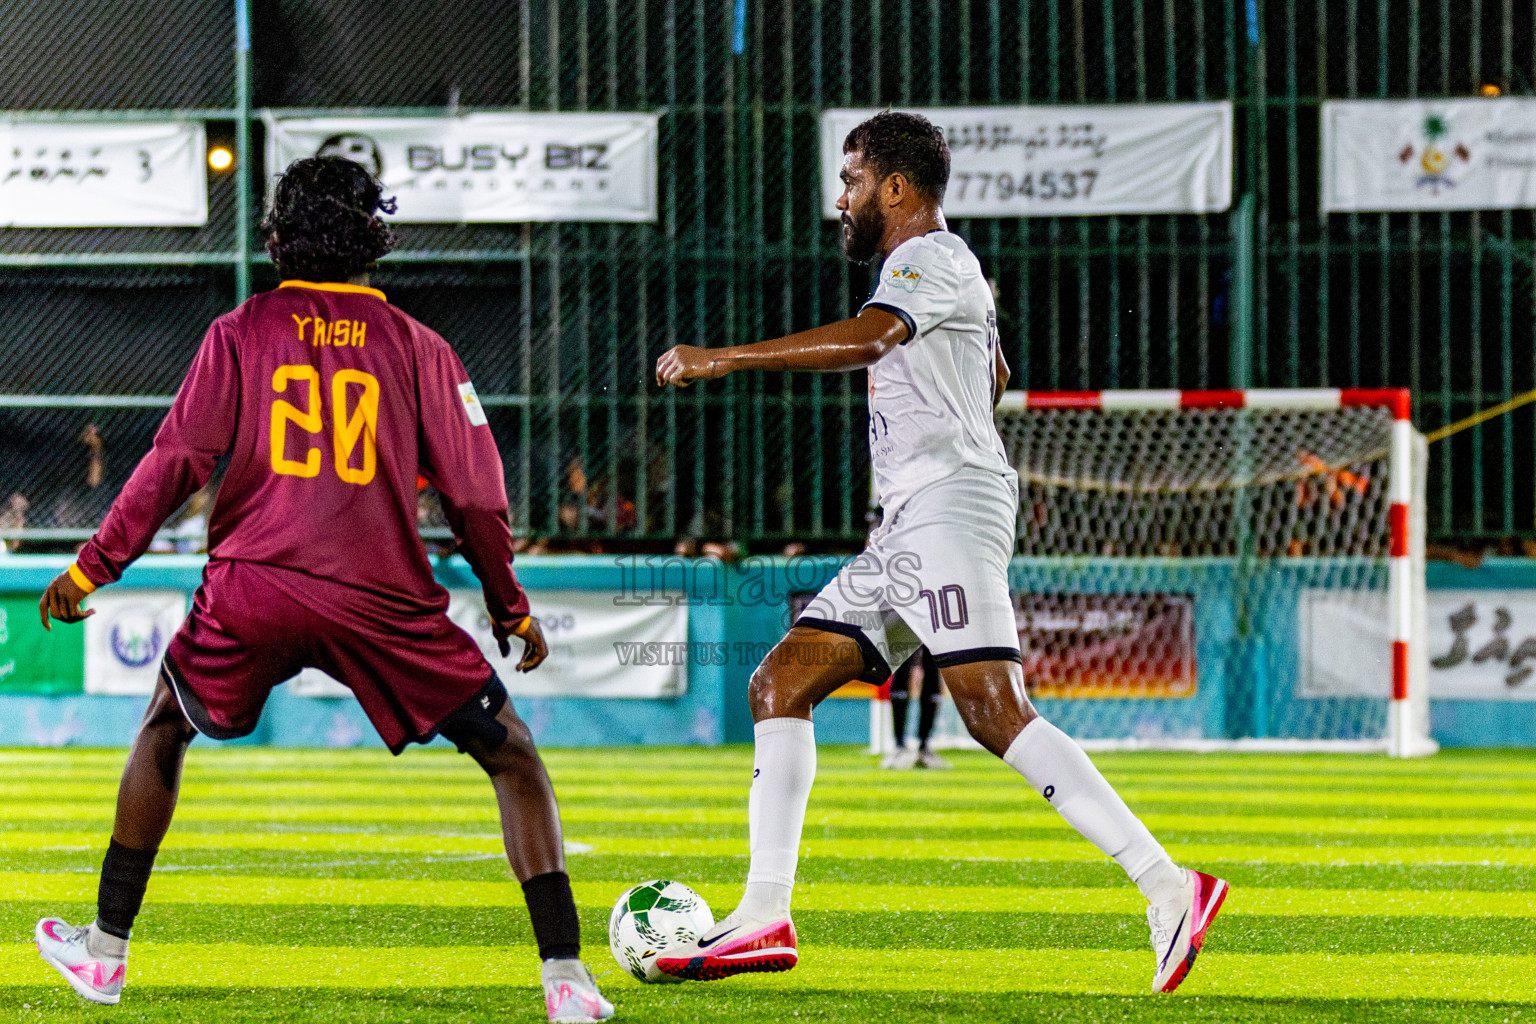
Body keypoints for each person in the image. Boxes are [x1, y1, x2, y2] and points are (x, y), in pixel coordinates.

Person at [652, 111, 1226, 992]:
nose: (838, 200)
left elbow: (875, 338)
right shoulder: (942, 271)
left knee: (994, 710)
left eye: (850, 182)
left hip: (947, 510)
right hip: (913, 522)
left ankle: (1167, 884)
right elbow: (992, 375)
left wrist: (725, 357)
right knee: (780, 681)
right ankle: (764, 912)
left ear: (894, 187)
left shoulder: (928, 260)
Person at [33, 157, 613, 1023]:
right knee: (512, 754)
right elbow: (477, 495)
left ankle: (106, 954)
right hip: (381, 596)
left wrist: (93, 565)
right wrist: (510, 605)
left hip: (253, 587)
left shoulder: (240, 330)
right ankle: (566, 979)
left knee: (163, 724)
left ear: (279, 234)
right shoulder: (423, 348)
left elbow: (176, 461)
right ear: (373, 235)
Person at [882, 645, 948, 769]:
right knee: (901, 666)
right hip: (906, 627)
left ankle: (924, 747)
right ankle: (899, 746)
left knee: (933, 670)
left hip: (931, 629)